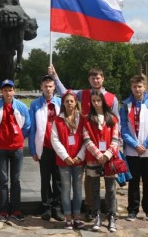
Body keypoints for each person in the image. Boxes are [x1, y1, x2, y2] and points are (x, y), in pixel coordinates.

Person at [49, 65, 119, 220]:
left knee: (110, 183)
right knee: (90, 181)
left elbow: (116, 122)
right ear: (89, 80)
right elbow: (65, 93)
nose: (96, 80)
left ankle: (111, 211)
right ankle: (91, 209)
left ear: (103, 78)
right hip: (89, 146)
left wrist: (113, 150)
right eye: (93, 78)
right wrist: (55, 76)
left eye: (98, 77)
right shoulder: (83, 94)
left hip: (108, 146)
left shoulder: (112, 98)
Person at [120, 75, 148, 222]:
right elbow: (123, 128)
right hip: (132, 151)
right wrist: (134, 144)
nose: (137, 89)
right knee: (133, 180)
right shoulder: (125, 106)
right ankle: (132, 209)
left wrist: (146, 144)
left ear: (144, 87)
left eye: (139, 86)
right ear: (131, 88)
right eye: (134, 86)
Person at [0, 79, 31, 222]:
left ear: (14, 90)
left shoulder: (22, 107)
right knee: (3, 180)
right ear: (2, 92)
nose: (8, 92)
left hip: (17, 148)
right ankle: (4, 210)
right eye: (5, 90)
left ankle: (16, 209)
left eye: (10, 89)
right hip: (1, 148)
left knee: (16, 179)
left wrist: (19, 138)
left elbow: (27, 126)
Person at [83, 91, 120, 232]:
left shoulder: (112, 118)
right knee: (94, 189)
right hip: (94, 158)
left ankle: (111, 215)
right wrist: (98, 154)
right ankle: (97, 214)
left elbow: (116, 138)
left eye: (99, 100)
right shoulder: (87, 119)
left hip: (109, 159)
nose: (96, 103)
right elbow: (86, 139)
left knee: (110, 189)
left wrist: (108, 154)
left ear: (103, 101)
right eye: (93, 100)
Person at [29, 75, 63, 221]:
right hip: (44, 147)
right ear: (41, 87)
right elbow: (32, 128)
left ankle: (57, 207)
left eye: (50, 86)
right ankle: (47, 207)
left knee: (58, 180)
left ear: (54, 86)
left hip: (59, 148)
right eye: (45, 86)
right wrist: (33, 150)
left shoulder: (61, 103)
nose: (48, 89)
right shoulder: (35, 104)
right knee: (45, 179)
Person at [51, 91, 86, 230]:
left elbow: (86, 139)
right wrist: (65, 156)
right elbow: (54, 140)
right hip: (64, 161)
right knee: (65, 189)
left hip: (78, 160)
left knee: (77, 189)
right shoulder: (58, 120)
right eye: (66, 101)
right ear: (63, 104)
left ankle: (77, 216)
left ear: (75, 102)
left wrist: (80, 156)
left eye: (71, 101)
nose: (69, 103)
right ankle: (68, 218)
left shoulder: (82, 119)